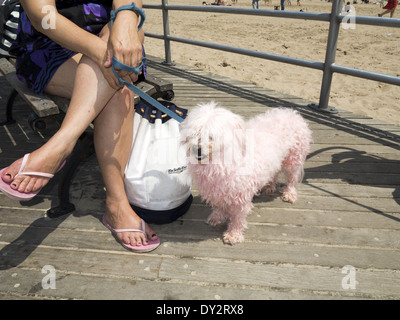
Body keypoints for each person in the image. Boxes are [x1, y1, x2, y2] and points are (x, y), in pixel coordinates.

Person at [0, 0, 159, 251]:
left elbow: (128, 7)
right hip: (52, 44)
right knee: (119, 90)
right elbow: (42, 15)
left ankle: (60, 145)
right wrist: (101, 51)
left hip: (117, 40)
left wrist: (127, 19)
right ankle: (116, 203)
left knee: (116, 64)